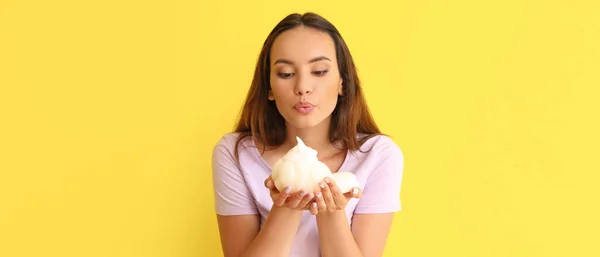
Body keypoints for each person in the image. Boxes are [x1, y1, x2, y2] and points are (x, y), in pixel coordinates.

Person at [211, 12, 404, 257]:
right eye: (286, 74)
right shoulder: (235, 153)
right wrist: (286, 208)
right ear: (269, 87)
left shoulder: (377, 155)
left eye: (319, 71)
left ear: (342, 82)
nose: (303, 87)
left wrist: (332, 214)